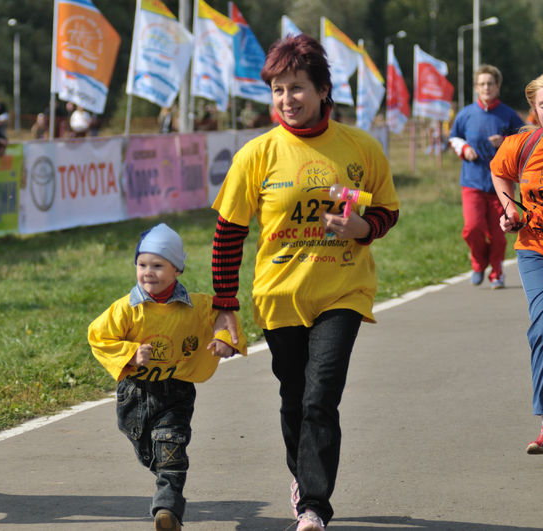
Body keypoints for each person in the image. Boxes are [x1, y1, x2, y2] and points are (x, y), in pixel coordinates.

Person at [210, 34, 400, 531]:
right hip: (279, 297)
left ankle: (314, 505)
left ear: (321, 90)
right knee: (294, 396)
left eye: (296, 87)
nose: (286, 99)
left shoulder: (359, 147)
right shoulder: (257, 154)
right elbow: (228, 234)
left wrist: (363, 228)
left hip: (343, 290)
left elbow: (386, 209)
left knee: (321, 396)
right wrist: (225, 306)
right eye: (277, 89)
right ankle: (302, 475)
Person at [87, 223, 246, 531]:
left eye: (158, 266)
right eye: (142, 265)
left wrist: (224, 339)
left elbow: (221, 317)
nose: (148, 272)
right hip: (134, 393)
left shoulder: (196, 306)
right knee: (151, 452)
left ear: (177, 270)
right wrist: (130, 353)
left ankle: (167, 509)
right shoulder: (126, 309)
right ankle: (164, 477)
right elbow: (98, 336)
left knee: (172, 449)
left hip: (176, 391)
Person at [490, 67, 543, 455]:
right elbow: (499, 171)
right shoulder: (521, 146)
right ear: (534, 110)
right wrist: (510, 209)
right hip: (540, 248)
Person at [449, 64, 525, 289]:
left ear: (498, 86)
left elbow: (524, 140)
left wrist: (505, 142)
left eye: (490, 83)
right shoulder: (466, 114)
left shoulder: (509, 115)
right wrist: (464, 149)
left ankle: (497, 273)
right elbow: (454, 137)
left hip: (501, 185)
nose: (486, 88)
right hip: (472, 182)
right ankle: (478, 263)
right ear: (476, 87)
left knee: (499, 234)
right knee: (472, 228)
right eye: (481, 84)